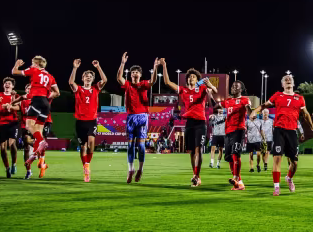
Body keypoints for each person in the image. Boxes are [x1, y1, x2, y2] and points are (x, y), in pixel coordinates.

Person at [250, 74, 313, 196]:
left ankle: (289, 178)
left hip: (292, 131)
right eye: (286, 79)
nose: (288, 80)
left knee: (294, 162)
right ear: (282, 84)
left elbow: (305, 114)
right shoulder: (277, 95)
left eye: (290, 79)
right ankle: (276, 187)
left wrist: (312, 127)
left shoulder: (299, 98)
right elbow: (264, 105)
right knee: (277, 158)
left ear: (293, 83)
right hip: (279, 130)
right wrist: (255, 111)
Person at [160, 59, 217, 187]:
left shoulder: (202, 88)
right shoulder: (183, 90)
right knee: (191, 151)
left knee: (199, 150)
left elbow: (215, 91)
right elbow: (167, 82)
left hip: (201, 122)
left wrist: (210, 86)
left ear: (197, 79)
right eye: (190, 76)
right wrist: (164, 66)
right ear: (187, 80)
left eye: (194, 76)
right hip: (189, 123)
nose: (191, 78)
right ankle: (195, 175)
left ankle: (196, 176)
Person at [12, 56, 60, 176]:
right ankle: (38, 157)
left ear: (37, 64)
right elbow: (57, 93)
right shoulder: (50, 76)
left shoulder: (34, 70)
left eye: (33, 63)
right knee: (37, 129)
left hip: (37, 100)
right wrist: (46, 98)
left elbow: (14, 72)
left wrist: (17, 65)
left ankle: (40, 142)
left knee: (29, 126)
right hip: (45, 103)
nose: (31, 65)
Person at [116, 52, 158, 183]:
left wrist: (155, 67)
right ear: (131, 74)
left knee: (141, 146)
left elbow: (153, 81)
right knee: (130, 146)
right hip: (130, 118)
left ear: (140, 75)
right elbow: (119, 78)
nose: (134, 73)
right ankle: (130, 170)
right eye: (133, 72)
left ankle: (140, 169)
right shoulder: (128, 85)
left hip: (142, 117)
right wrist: (122, 63)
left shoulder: (144, 84)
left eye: (137, 72)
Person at [70, 59, 107, 182]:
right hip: (80, 121)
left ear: (92, 79)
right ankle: (85, 168)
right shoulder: (78, 89)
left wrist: (98, 67)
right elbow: (71, 82)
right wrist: (75, 68)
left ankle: (87, 165)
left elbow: (105, 80)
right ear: (82, 78)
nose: (88, 77)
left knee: (91, 143)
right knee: (83, 147)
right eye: (86, 76)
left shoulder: (96, 88)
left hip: (92, 121)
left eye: (90, 76)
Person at [221, 81, 252, 191]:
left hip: (239, 129)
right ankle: (239, 183)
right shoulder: (228, 101)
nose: (233, 88)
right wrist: (210, 93)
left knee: (235, 153)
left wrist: (249, 110)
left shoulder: (244, 100)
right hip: (228, 131)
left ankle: (235, 178)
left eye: (236, 87)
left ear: (241, 89)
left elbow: (248, 110)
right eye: (232, 86)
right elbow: (215, 106)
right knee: (228, 157)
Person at [0, 77, 21, 178]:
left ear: (12, 86)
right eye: (6, 83)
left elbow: (18, 107)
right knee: (2, 147)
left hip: (12, 123)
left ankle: (14, 164)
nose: (7, 84)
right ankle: (7, 168)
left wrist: (10, 106)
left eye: (9, 83)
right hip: (1, 124)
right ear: (3, 85)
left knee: (12, 144)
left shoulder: (16, 96)